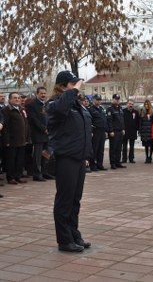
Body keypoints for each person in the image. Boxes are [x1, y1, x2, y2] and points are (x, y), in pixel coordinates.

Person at [46, 70, 92, 252]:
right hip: (65, 157)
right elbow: (59, 109)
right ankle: (64, 240)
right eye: (73, 84)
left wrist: (86, 155)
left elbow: (84, 130)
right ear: (63, 86)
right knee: (65, 200)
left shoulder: (76, 104)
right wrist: (72, 92)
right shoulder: (54, 104)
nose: (77, 87)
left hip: (78, 157)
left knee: (75, 200)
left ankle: (74, 234)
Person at [26, 87, 53, 181]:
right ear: (37, 94)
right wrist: (43, 129)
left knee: (46, 154)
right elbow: (33, 120)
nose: (43, 95)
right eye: (41, 93)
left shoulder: (46, 104)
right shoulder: (31, 105)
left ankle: (45, 172)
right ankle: (36, 174)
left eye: (44, 93)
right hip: (38, 134)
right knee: (37, 155)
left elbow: (49, 117)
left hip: (48, 134)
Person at [1, 92, 29, 184]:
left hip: (22, 140)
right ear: (10, 99)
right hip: (12, 140)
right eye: (15, 98)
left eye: (18, 98)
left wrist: (26, 138)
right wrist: (7, 140)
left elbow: (26, 124)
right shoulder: (6, 110)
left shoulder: (21, 109)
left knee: (20, 160)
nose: (17, 99)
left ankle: (18, 176)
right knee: (11, 161)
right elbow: (5, 127)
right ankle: (11, 177)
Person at [88, 95, 108, 171]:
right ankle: (92, 165)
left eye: (100, 100)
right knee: (94, 149)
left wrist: (106, 130)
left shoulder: (102, 109)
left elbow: (104, 120)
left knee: (101, 149)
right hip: (95, 131)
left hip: (102, 131)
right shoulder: (91, 109)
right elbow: (90, 121)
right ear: (93, 100)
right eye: (97, 100)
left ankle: (100, 164)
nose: (99, 101)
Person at [107, 94, 126, 169]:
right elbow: (109, 121)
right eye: (116, 99)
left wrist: (123, 129)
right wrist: (111, 130)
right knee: (113, 148)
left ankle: (118, 162)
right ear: (113, 99)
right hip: (114, 131)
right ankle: (113, 163)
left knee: (119, 148)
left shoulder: (120, 109)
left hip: (120, 131)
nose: (117, 100)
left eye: (118, 99)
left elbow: (122, 120)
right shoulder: (110, 109)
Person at [122, 99, 139, 164]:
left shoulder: (136, 112)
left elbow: (137, 121)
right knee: (124, 146)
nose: (131, 105)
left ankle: (131, 158)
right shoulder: (123, 111)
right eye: (129, 104)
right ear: (127, 104)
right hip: (125, 131)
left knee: (132, 146)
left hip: (133, 131)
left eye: (132, 104)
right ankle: (124, 158)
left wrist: (137, 129)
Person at [139, 99, 153, 164]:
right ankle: (147, 157)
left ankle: (150, 157)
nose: (146, 105)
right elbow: (140, 122)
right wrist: (140, 130)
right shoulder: (142, 112)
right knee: (146, 145)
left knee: (151, 145)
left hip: (151, 131)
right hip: (144, 131)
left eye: (147, 104)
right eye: (145, 104)